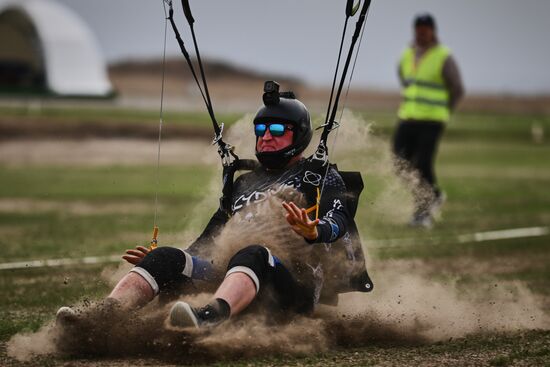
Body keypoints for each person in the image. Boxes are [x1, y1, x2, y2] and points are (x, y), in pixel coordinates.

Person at [57, 85, 370, 329]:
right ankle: (101, 317)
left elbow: (339, 217)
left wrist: (315, 230)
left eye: (277, 131)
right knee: (167, 256)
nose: (266, 138)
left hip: (291, 290)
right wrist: (163, 264)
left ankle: (211, 316)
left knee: (255, 252)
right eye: (261, 131)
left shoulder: (320, 176)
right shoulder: (243, 183)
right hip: (233, 277)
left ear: (299, 135)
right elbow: (209, 241)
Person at [393, 13, 464, 227]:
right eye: (418, 29)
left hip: (432, 120)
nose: (421, 33)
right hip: (408, 116)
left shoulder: (444, 56)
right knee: (399, 163)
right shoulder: (407, 54)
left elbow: (457, 88)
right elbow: (405, 80)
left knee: (422, 163)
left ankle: (423, 209)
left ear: (433, 31)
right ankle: (432, 196)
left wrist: (445, 111)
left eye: (425, 29)